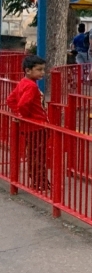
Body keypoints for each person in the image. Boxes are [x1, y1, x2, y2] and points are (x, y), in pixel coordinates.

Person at [5, 54, 50, 192]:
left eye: (43, 69)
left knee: (33, 154)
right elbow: (24, 104)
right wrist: (22, 114)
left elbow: (10, 100)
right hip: (37, 125)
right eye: (39, 69)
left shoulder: (23, 82)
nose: (42, 72)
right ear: (28, 70)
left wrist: (19, 114)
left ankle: (38, 182)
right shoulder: (31, 86)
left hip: (30, 126)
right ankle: (40, 183)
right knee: (39, 155)